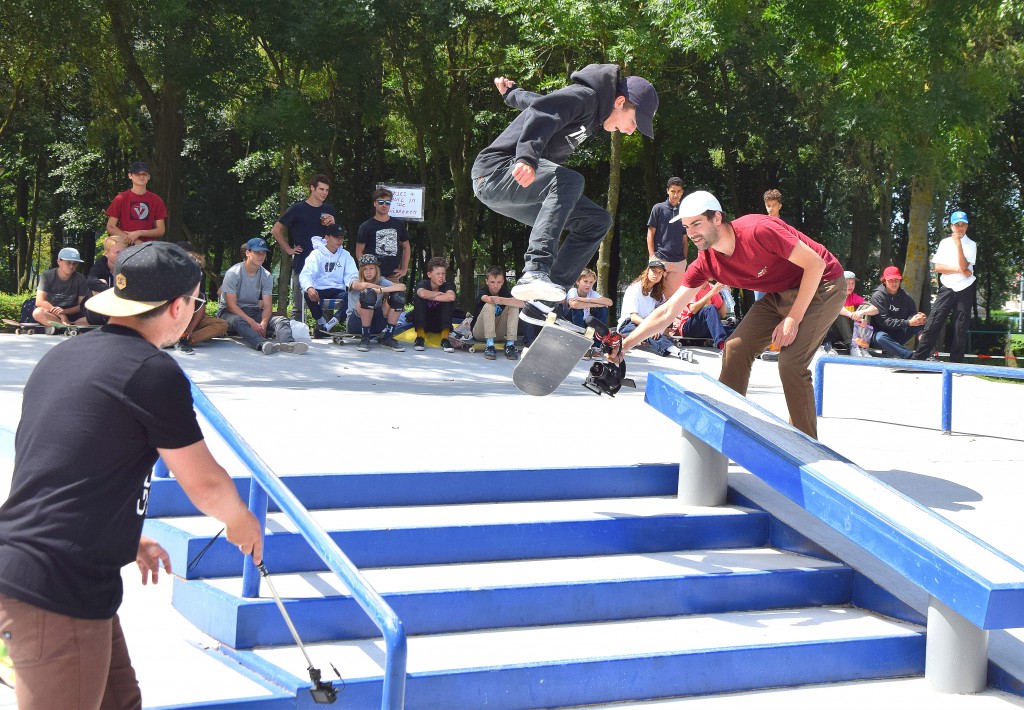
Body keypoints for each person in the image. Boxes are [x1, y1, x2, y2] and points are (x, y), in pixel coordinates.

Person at [0, 241, 263, 709]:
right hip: (55, 586)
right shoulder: (151, 371)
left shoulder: (63, 356)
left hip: (47, 570)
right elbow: (204, 482)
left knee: (121, 701)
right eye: (197, 302)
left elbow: (58, 470)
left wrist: (123, 534)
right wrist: (242, 522)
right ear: (179, 306)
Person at [613, 191, 845, 439]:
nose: (691, 233)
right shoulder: (705, 263)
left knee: (790, 364)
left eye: (697, 223)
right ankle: (726, 428)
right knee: (735, 348)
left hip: (824, 283)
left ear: (717, 218)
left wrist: (793, 318)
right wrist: (624, 344)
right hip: (780, 291)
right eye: (686, 227)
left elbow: (815, 264)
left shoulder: (759, 230)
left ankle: (805, 443)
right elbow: (669, 310)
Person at [472, 64, 659, 303]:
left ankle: (546, 298)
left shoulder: (594, 114)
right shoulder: (586, 97)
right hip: (496, 172)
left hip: (520, 189)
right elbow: (545, 111)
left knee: (597, 221)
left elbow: (543, 102)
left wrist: (512, 94)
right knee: (570, 181)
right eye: (633, 122)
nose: (631, 131)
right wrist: (527, 157)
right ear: (620, 102)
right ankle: (535, 270)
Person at [218, 238, 309, 355]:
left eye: (263, 253)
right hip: (229, 313)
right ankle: (262, 343)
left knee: (281, 320)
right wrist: (252, 323)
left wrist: (263, 323)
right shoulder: (233, 273)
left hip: (253, 311)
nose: (261, 256)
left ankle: (288, 344)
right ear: (248, 253)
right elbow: (231, 306)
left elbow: (267, 306)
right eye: (257, 252)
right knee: (239, 320)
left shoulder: (266, 275)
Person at [911, 210, 977, 362]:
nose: (960, 228)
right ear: (951, 226)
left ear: (967, 226)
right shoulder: (944, 243)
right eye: (957, 225)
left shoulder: (971, 244)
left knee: (960, 327)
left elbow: (964, 263)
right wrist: (959, 270)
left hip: (965, 288)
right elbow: (938, 268)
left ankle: (956, 363)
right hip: (947, 287)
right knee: (934, 322)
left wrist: (959, 245)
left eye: (963, 225)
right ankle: (919, 358)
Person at [271, 174, 337, 319]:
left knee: (325, 306)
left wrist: (333, 225)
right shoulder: (297, 209)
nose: (324, 193)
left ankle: (324, 332)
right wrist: (289, 249)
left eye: (327, 190)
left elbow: (336, 238)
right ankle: (297, 336)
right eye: (321, 189)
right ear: (312, 188)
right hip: (302, 263)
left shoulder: (329, 210)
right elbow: (276, 230)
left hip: (325, 266)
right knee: (299, 306)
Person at [617, 259, 686, 358]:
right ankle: (677, 351)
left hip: (647, 323)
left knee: (667, 307)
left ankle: (662, 337)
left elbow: (664, 311)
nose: (656, 274)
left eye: (660, 272)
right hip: (628, 324)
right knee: (647, 333)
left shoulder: (657, 292)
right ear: (647, 271)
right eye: (653, 271)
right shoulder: (635, 288)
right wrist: (651, 328)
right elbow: (633, 317)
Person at [299, 225, 358, 337]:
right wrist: (309, 287)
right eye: (336, 237)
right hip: (319, 289)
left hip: (337, 290)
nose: (340, 240)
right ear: (327, 237)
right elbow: (307, 274)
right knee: (307, 292)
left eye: (341, 237)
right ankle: (322, 322)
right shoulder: (316, 254)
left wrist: (354, 283)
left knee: (354, 296)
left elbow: (352, 274)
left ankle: (327, 327)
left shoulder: (345, 255)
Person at [174, 241, 228, 354]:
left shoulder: (198, 275)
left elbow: (201, 306)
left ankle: (183, 339)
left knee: (221, 325)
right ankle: (174, 338)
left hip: (192, 317)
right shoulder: (167, 274)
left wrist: (190, 329)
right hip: (172, 318)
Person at [346, 254, 407, 352]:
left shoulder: (381, 280)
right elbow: (363, 286)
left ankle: (387, 337)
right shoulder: (354, 278)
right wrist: (381, 289)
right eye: (365, 269)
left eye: (371, 268)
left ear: (376, 270)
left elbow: (402, 287)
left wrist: (381, 291)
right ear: (361, 270)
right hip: (356, 323)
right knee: (368, 293)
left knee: (398, 296)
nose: (368, 272)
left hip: (376, 323)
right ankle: (365, 337)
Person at [866, 266, 927, 359]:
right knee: (880, 338)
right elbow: (885, 322)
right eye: (890, 280)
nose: (894, 283)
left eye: (897, 280)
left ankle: (926, 353)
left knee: (919, 324)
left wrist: (919, 318)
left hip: (898, 333)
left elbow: (912, 315)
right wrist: (909, 322)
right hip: (880, 335)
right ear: (884, 281)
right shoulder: (878, 296)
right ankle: (910, 356)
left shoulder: (906, 297)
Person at [355, 188, 411, 282]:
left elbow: (406, 247)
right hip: (372, 277)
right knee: (370, 296)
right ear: (374, 203)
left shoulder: (398, 224)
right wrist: (366, 270)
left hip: (393, 275)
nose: (384, 205)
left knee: (398, 297)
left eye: (387, 202)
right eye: (381, 202)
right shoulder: (366, 226)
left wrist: (404, 269)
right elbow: (359, 251)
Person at [105, 161, 167, 244]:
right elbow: (110, 227)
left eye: (144, 174)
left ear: (149, 177)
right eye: (137, 174)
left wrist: (139, 233)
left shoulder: (156, 200)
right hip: (123, 247)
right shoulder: (121, 198)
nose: (141, 176)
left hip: (147, 248)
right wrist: (135, 241)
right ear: (130, 176)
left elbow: (161, 230)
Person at [472, 266, 524, 360]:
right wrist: (499, 300)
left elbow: (522, 303)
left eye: (499, 282)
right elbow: (485, 298)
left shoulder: (505, 292)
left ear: (503, 281)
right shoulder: (483, 290)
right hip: (480, 333)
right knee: (489, 305)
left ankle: (510, 345)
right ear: (487, 281)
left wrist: (502, 300)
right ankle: (490, 346)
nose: (495, 285)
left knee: (514, 305)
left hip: (498, 334)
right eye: (492, 282)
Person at [647, 177, 687, 298]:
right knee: (653, 295)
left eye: (679, 191)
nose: (676, 194)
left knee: (673, 299)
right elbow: (650, 234)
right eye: (673, 191)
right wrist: (652, 256)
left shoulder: (685, 211)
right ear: (667, 191)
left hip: (679, 262)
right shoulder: (658, 208)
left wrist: (684, 258)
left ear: (682, 192)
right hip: (660, 258)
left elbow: (685, 237)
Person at [32, 247, 90, 328]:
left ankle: (62, 327)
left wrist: (65, 311)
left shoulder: (81, 279)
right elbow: (39, 301)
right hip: (52, 314)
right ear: (59, 261)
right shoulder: (47, 276)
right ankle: (67, 327)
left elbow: (82, 306)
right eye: (68, 262)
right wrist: (62, 315)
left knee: (93, 318)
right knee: (38, 313)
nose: (71, 266)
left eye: (75, 263)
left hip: (74, 315)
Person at [563, 268, 613, 358]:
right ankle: (582, 346)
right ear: (578, 282)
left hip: (584, 323)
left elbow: (609, 302)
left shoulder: (591, 293)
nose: (588, 285)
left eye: (591, 282)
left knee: (603, 309)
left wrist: (585, 300)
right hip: (572, 322)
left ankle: (596, 347)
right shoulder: (573, 291)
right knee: (577, 310)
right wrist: (596, 303)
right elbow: (574, 305)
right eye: (585, 281)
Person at [410, 256, 457, 352]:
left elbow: (451, 297)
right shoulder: (423, 284)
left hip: (439, 323)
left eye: (443, 273)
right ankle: (420, 338)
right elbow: (422, 293)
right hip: (425, 322)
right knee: (420, 299)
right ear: (429, 274)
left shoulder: (447, 285)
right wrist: (437, 294)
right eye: (438, 274)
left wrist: (430, 296)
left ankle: (445, 339)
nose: (441, 277)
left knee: (448, 302)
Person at [84, 236, 129, 325]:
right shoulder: (100, 266)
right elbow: (90, 281)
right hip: (100, 311)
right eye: (117, 252)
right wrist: (111, 291)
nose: (121, 255)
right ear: (106, 253)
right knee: (100, 282)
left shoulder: (129, 267)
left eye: (124, 252)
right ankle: (105, 319)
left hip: (122, 307)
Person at [673, 281, 731, 350]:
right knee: (710, 308)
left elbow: (722, 314)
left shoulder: (712, 288)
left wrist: (726, 296)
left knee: (734, 331)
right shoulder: (692, 286)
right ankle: (721, 344)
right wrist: (712, 292)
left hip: (706, 328)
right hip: (688, 328)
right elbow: (693, 309)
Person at [825, 270, 868, 353]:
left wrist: (861, 314)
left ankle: (862, 344)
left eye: (853, 283)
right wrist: (851, 314)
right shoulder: (834, 294)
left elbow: (874, 308)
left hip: (848, 331)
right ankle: (851, 345)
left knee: (865, 307)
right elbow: (837, 307)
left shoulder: (853, 296)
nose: (850, 286)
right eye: (847, 283)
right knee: (839, 314)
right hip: (830, 331)